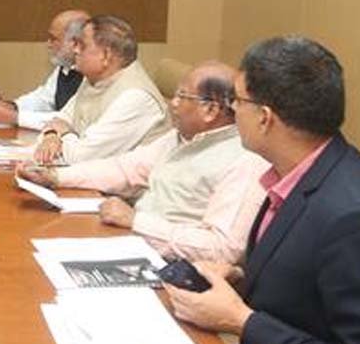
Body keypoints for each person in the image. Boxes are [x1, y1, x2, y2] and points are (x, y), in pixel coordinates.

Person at [166, 37, 360, 344]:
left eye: (238, 101)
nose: (232, 110)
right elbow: (307, 291)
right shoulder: (291, 175)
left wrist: (241, 320)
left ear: (265, 117)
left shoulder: (348, 215)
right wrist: (240, 279)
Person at [18, 61, 269, 263]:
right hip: (134, 242)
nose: (172, 104)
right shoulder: (181, 137)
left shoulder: (245, 159)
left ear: (211, 110)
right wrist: (56, 177)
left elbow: (223, 249)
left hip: (174, 268)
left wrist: (136, 222)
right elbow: (125, 169)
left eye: (182, 96)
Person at [33, 15, 170, 165]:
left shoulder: (136, 97)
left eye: (81, 45)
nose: (75, 49)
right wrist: (51, 135)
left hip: (125, 180)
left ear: (106, 56)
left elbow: (81, 158)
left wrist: (63, 133)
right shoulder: (94, 78)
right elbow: (60, 120)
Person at [0, 9, 89, 126]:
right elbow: (44, 98)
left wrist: (15, 117)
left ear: (75, 42)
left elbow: (73, 119)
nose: (48, 44)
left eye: (54, 39)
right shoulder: (65, 66)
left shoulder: (93, 74)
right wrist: (14, 106)